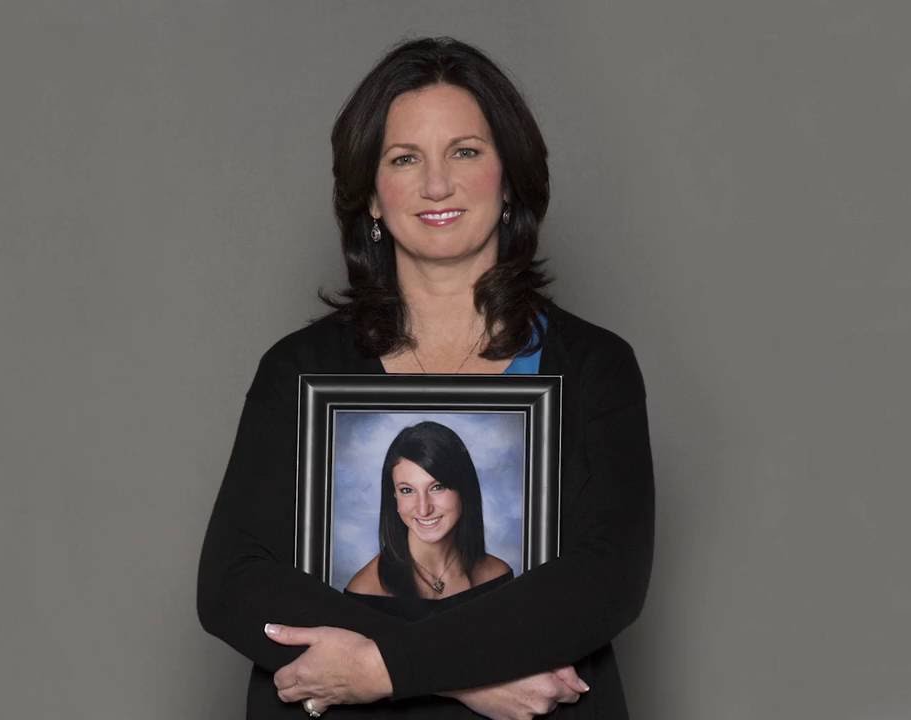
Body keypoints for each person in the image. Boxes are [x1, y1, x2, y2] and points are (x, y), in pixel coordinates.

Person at [197, 36, 654, 719]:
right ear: (371, 197)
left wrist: (387, 666)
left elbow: (607, 581)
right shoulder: (297, 371)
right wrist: (458, 674)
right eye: (404, 158)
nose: (436, 185)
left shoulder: (595, 368)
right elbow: (232, 584)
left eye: (465, 152)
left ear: (510, 179)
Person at [345, 421, 512, 600]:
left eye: (437, 487)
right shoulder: (365, 591)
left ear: (464, 489)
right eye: (407, 490)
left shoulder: (498, 578)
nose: (424, 509)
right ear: (394, 496)